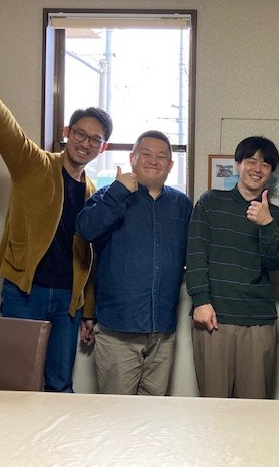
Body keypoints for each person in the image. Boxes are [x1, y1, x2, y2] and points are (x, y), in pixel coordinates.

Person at [0, 52, 113, 392]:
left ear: (102, 148)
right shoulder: (34, 164)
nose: (85, 143)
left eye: (95, 139)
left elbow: (90, 258)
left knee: (60, 383)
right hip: (25, 291)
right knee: (17, 380)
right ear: (66, 132)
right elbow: (9, 132)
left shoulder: (94, 193)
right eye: (80, 134)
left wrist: (88, 310)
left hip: (68, 301)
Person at [76, 130, 192, 395]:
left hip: (162, 330)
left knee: (152, 410)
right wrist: (118, 191)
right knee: (118, 412)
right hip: (119, 330)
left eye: (161, 156)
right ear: (132, 158)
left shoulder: (181, 204)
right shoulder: (110, 195)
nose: (153, 160)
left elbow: (192, 254)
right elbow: (86, 230)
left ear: (170, 165)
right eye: (146, 154)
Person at [186, 136, 279, 398]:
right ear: (237, 164)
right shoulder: (210, 202)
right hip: (214, 316)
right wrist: (200, 300)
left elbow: (278, 262)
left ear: (271, 172)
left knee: (254, 406)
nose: (257, 168)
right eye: (251, 161)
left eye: (265, 164)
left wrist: (266, 224)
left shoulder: (276, 216)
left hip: (258, 320)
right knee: (214, 403)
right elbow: (196, 253)